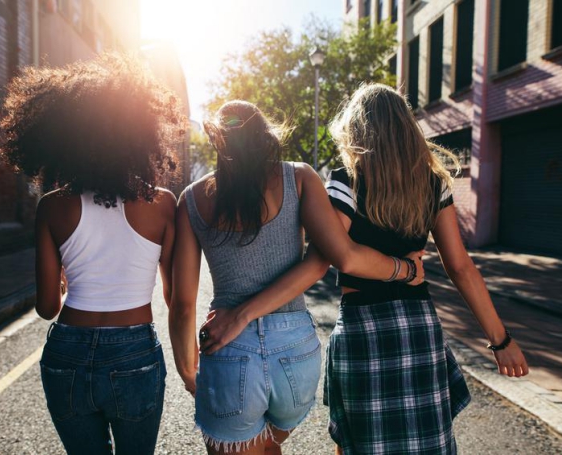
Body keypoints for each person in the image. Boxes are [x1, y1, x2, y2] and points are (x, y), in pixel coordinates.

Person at [169, 100, 425, 455]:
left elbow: (183, 305)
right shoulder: (299, 176)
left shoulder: (192, 200)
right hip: (296, 354)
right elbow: (323, 261)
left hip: (229, 351)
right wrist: (407, 269)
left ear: (217, 142)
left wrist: (188, 372)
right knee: (268, 446)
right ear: (265, 133)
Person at [322, 83, 529, 455]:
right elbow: (461, 267)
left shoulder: (345, 180)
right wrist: (501, 341)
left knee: (357, 443)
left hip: (362, 331)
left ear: (355, 130)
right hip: (419, 330)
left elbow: (343, 255)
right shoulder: (432, 184)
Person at [0, 54, 187, 455]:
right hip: (135, 352)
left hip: (66, 352)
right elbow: (174, 300)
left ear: (65, 138)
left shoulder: (51, 207)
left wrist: (67, 282)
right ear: (140, 133)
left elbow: (48, 308)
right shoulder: (164, 204)